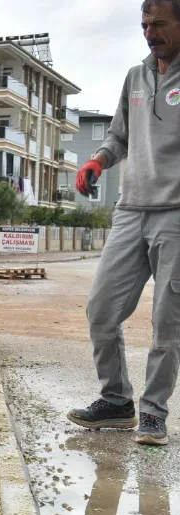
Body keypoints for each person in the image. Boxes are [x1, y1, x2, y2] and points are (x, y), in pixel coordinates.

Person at [68, 0, 180, 446]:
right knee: (101, 309)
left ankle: (153, 413)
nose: (149, 33)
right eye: (144, 24)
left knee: (168, 320)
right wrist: (97, 160)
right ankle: (116, 401)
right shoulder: (136, 77)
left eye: (159, 24)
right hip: (131, 209)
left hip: (176, 214)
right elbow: (118, 135)